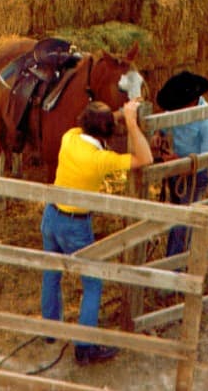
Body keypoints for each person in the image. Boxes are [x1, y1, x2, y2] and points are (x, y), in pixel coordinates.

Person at [40, 99, 153, 365]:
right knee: (92, 283)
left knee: (51, 272)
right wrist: (132, 122)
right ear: (106, 133)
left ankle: (49, 330)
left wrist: (118, 114)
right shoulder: (101, 160)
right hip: (75, 225)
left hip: (51, 215)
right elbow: (145, 158)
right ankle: (84, 346)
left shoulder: (70, 138)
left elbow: (89, 125)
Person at [154, 71, 208, 257]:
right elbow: (165, 123)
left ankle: (175, 267)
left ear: (192, 102)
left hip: (194, 174)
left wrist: (180, 162)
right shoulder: (177, 110)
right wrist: (158, 134)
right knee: (177, 216)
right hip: (177, 170)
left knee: (183, 224)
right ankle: (174, 261)